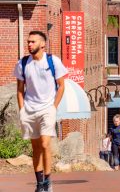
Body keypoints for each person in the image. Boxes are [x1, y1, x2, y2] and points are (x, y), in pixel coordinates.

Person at [13, 31, 68, 192]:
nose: (29, 44)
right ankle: (39, 184)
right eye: (28, 42)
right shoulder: (23, 63)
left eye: (33, 42)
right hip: (29, 110)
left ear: (42, 44)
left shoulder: (53, 61)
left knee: (45, 144)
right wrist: (22, 110)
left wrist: (54, 107)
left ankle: (48, 182)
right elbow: (19, 90)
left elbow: (61, 85)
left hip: (47, 109)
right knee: (36, 148)